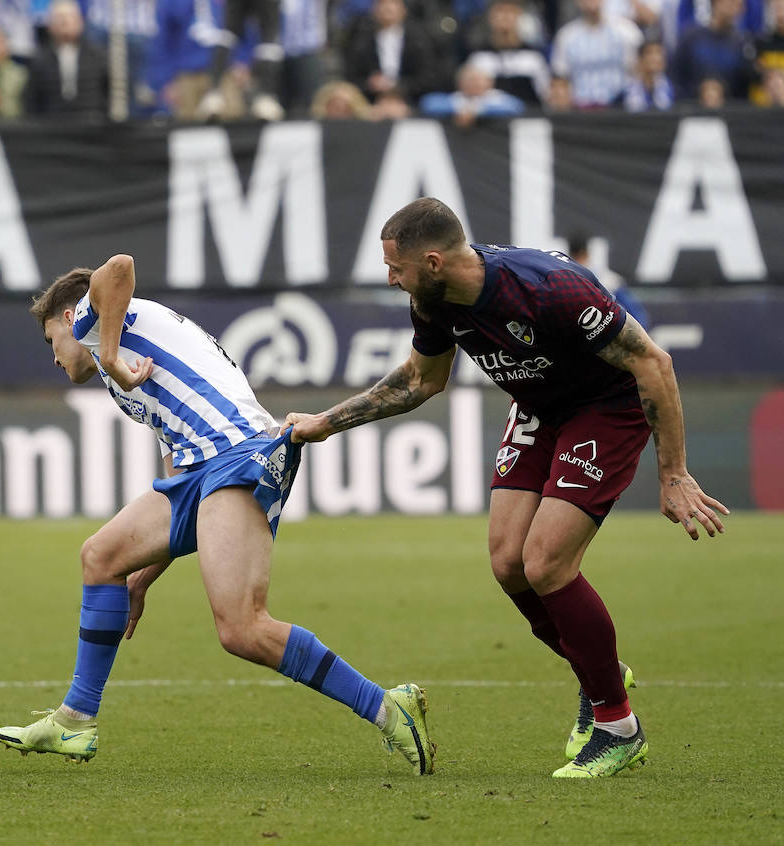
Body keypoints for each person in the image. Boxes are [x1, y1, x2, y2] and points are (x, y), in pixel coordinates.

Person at [285, 198, 728, 779]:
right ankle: (601, 671)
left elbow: (654, 364)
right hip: (542, 407)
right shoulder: (432, 302)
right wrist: (326, 422)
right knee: (507, 563)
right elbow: (423, 379)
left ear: (435, 261)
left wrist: (673, 474)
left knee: (546, 563)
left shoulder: (552, 289)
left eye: (397, 267)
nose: (390, 279)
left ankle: (619, 727)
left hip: (606, 407)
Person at [0, 254, 437, 775]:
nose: (54, 357)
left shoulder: (95, 325)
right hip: (198, 470)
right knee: (103, 557)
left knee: (243, 630)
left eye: (51, 342)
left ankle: (388, 709)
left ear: (71, 318)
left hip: (239, 455)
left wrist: (109, 355)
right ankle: (76, 718)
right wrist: (144, 576)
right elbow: (173, 473)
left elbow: (118, 268)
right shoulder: (123, 381)